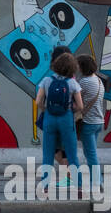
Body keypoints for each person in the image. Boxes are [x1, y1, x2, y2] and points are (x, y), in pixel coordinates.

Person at [34, 52, 82, 189]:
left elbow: (38, 102)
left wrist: (46, 110)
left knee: (48, 154)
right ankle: (78, 186)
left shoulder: (46, 80)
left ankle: (45, 186)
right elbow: (80, 106)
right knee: (72, 155)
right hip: (66, 119)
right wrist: (69, 109)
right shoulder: (72, 83)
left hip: (49, 118)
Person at [76, 54, 105, 189]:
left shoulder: (84, 82)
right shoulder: (99, 81)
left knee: (91, 154)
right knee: (90, 153)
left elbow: (77, 101)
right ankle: (97, 180)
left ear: (82, 67)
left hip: (88, 122)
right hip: (99, 121)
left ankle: (98, 182)